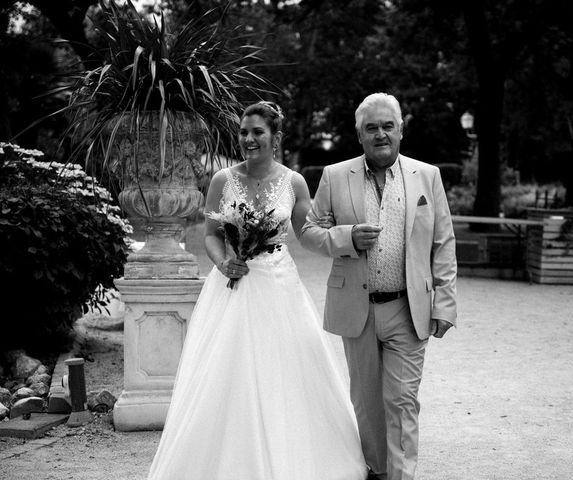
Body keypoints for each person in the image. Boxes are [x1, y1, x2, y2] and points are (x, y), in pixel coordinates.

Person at [147, 101, 368, 480]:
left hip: (280, 287)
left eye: (257, 132)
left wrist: (347, 238)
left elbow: (308, 234)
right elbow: (212, 235)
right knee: (226, 372)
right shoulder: (222, 180)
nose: (249, 139)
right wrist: (222, 262)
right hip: (233, 285)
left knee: (286, 370)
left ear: (276, 138)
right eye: (244, 132)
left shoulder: (294, 182)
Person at [300, 92, 457, 480]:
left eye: (388, 126)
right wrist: (346, 238)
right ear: (359, 135)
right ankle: (378, 469)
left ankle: (401, 476)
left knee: (402, 401)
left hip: (408, 308)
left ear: (401, 130)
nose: (381, 134)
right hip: (358, 308)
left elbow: (443, 241)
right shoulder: (336, 176)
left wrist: (445, 304)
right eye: (372, 128)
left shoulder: (428, 176)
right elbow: (307, 231)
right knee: (367, 403)